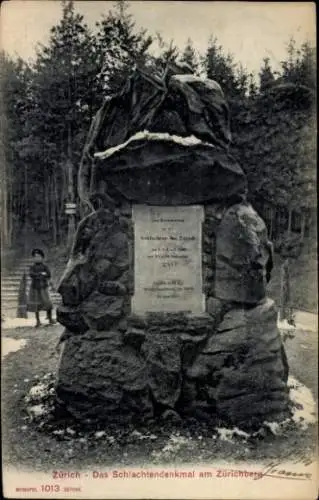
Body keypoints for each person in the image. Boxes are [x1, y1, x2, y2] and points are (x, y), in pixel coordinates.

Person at [27, 249, 55, 328]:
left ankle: (50, 318)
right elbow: (31, 274)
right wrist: (40, 274)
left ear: (42, 258)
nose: (37, 258)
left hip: (43, 287)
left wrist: (41, 275)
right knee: (36, 304)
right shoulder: (32, 267)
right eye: (35, 257)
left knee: (47, 302)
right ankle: (38, 321)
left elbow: (48, 275)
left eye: (39, 257)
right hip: (35, 288)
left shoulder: (45, 266)